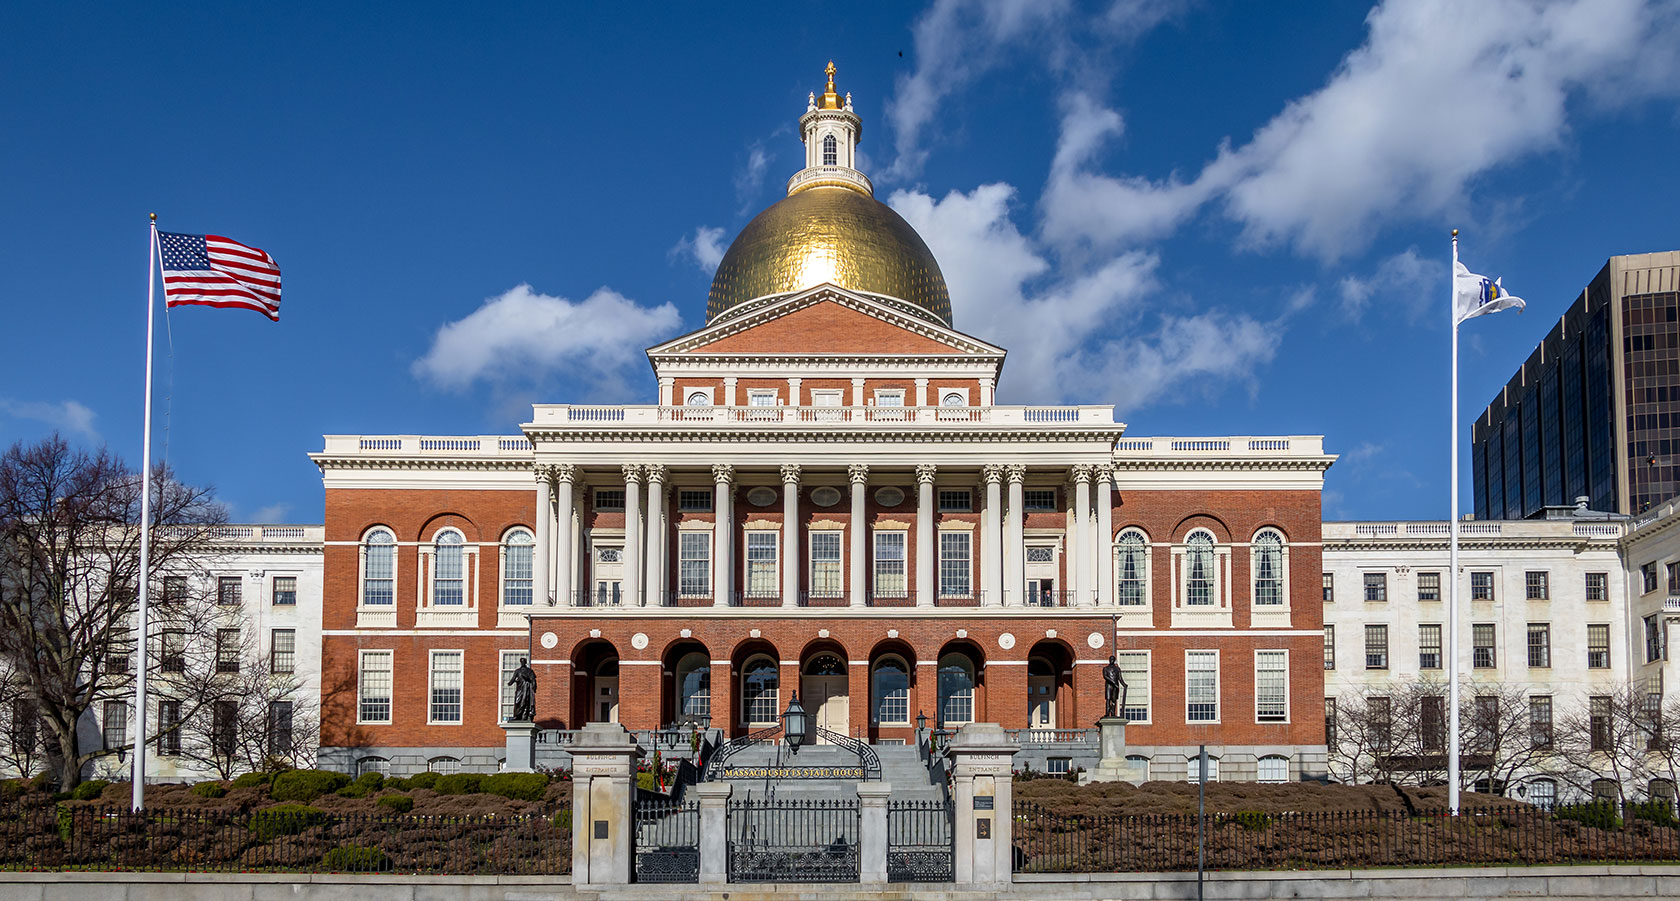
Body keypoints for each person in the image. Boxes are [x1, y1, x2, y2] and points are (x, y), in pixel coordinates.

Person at [509, 656, 538, 722]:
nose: (522, 663)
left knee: (526, 702)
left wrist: (533, 686)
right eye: (521, 662)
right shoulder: (517, 671)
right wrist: (510, 683)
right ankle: (517, 715)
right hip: (519, 689)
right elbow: (513, 678)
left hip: (526, 688)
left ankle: (524, 716)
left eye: (523, 662)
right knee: (517, 701)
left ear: (525, 662)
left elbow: (533, 679)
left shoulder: (529, 671)